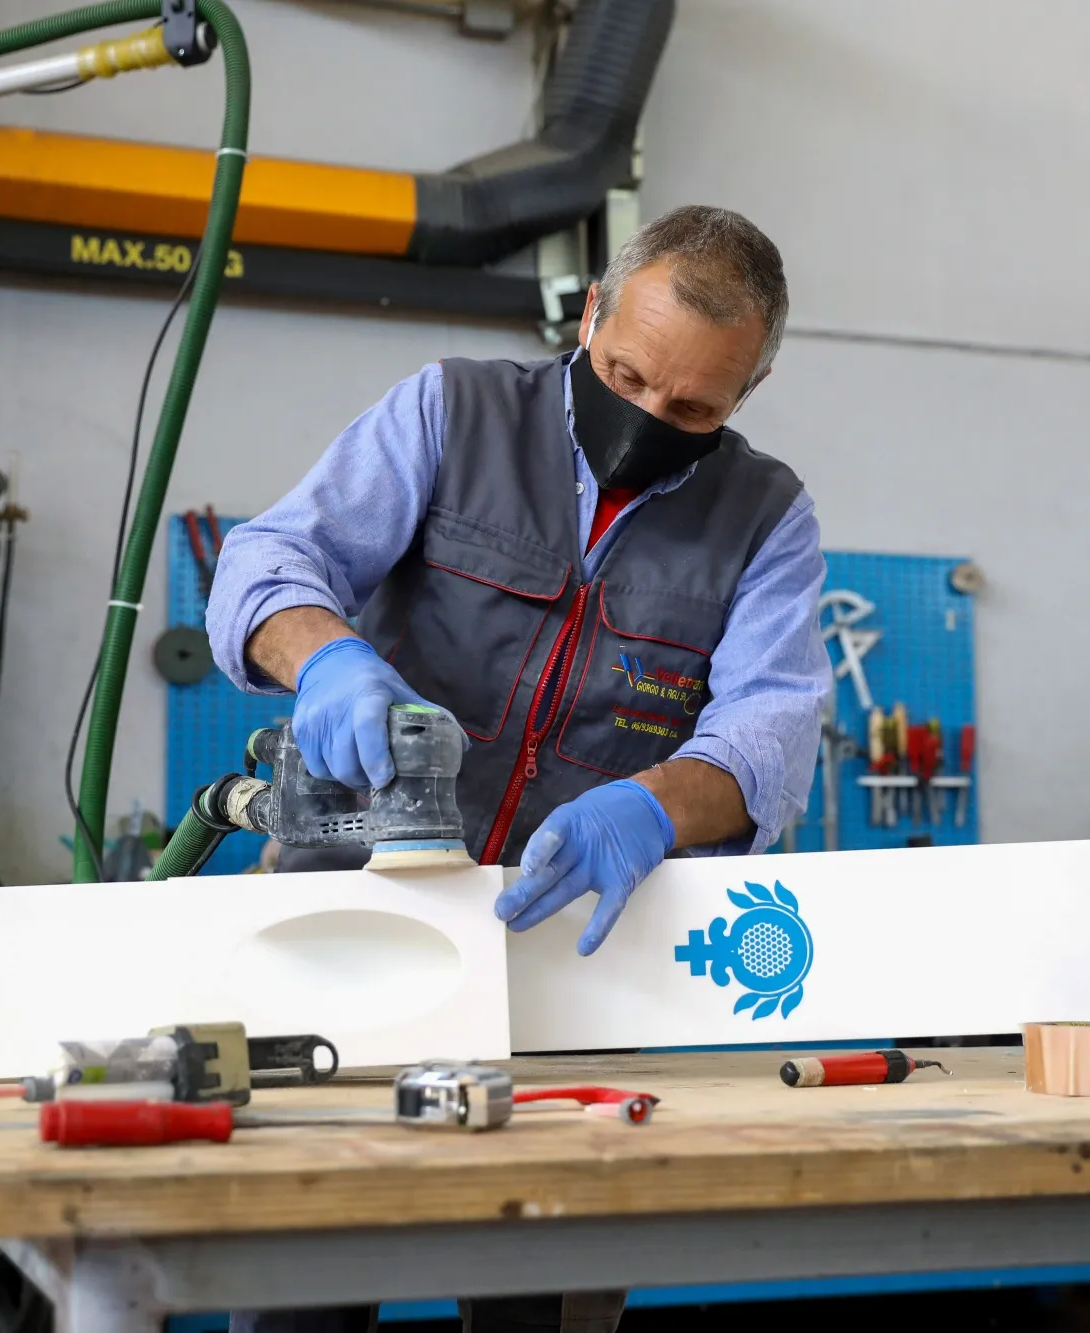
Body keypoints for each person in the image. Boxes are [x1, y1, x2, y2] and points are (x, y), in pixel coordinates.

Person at [207, 205, 830, 1333]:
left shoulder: (766, 518)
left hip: (571, 970)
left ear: (752, 385)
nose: (648, 417)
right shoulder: (451, 410)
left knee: (540, 1310)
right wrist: (329, 657)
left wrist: (651, 804)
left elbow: (770, 734)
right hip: (351, 936)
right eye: (626, 373)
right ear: (589, 313)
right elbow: (268, 558)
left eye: (690, 406)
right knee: (300, 1290)